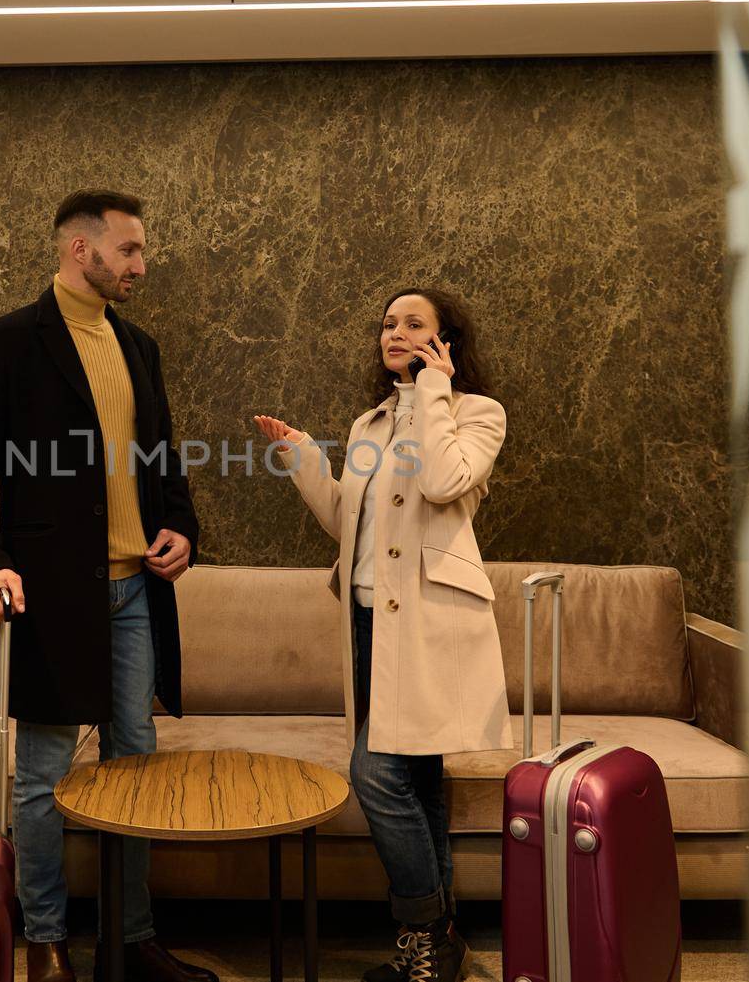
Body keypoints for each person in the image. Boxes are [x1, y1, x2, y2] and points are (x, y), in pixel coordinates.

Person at [0, 189, 214, 982]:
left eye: (140, 249)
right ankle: (48, 943)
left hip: (137, 595)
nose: (141, 264)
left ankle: (130, 941)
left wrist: (183, 526)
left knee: (136, 762)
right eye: (128, 249)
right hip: (53, 597)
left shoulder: (140, 347)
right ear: (78, 249)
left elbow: (162, 454)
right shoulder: (8, 343)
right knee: (43, 776)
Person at [253, 287, 511, 982]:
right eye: (389, 323)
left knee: (375, 772)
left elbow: (442, 480)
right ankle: (443, 939)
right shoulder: (370, 424)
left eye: (414, 323)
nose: (395, 331)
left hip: (430, 626)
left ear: (445, 339)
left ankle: (422, 927)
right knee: (418, 777)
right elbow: (351, 524)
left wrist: (434, 387)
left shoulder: (476, 414)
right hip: (368, 621)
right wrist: (305, 456)